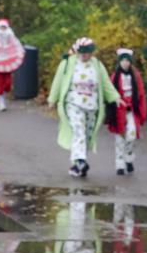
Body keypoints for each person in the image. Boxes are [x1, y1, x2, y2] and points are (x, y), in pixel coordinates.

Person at [47, 37, 123, 177]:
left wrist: (116, 97)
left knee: (87, 135)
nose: (84, 56)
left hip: (92, 106)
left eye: (87, 53)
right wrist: (53, 99)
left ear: (92, 53)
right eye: (82, 53)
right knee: (78, 130)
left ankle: (77, 165)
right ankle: (81, 161)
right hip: (73, 103)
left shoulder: (97, 65)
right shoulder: (68, 63)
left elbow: (105, 83)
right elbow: (58, 80)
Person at [107, 48, 147, 175]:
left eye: (127, 61)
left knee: (131, 136)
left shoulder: (135, 76)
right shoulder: (114, 77)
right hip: (119, 112)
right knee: (119, 139)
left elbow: (141, 94)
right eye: (123, 60)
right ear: (119, 62)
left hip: (131, 111)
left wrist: (141, 112)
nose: (125, 63)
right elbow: (109, 93)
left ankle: (128, 158)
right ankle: (119, 165)